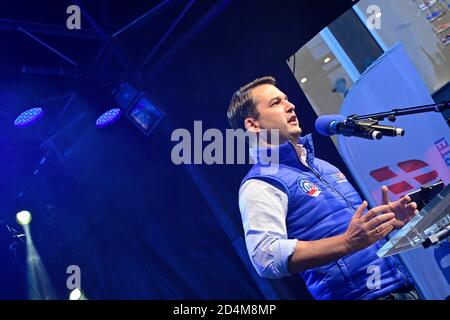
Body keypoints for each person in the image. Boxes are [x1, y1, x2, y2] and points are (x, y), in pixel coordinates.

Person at [227, 76, 420, 300]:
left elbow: (355, 235)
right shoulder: (260, 183)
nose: (290, 106)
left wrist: (384, 225)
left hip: (406, 286)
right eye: (276, 103)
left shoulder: (323, 166)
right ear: (252, 124)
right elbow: (266, 258)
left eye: (287, 99)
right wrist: (347, 242)